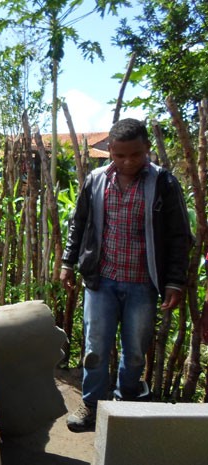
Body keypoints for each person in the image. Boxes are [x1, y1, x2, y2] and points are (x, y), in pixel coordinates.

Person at [60, 118, 191, 432]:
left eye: (135, 154)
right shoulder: (95, 181)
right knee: (94, 347)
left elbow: (178, 235)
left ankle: (123, 405)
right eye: (120, 156)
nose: (128, 161)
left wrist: (174, 281)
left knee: (134, 351)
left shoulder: (163, 183)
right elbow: (78, 224)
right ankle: (91, 405)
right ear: (110, 152)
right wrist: (68, 261)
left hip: (142, 284)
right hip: (100, 280)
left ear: (147, 149)